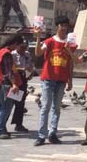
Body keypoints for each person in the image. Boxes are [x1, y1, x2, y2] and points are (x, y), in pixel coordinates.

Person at [33, 16, 75, 146]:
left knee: (56, 108)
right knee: (45, 107)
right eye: (61, 25)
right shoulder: (50, 41)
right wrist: (38, 37)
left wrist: (70, 80)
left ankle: (52, 133)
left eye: (65, 26)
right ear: (57, 26)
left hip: (62, 79)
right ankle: (41, 135)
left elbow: (70, 63)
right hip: (48, 78)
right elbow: (38, 53)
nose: (63, 28)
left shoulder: (70, 44)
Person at [0, 34, 24, 139]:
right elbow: (9, 72)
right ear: (14, 43)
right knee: (5, 108)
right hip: (5, 84)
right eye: (18, 46)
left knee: (0, 107)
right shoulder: (6, 54)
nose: (18, 48)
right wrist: (14, 84)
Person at [10, 41, 35, 132]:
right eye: (22, 47)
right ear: (17, 46)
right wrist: (21, 69)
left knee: (20, 103)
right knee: (10, 103)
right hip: (14, 79)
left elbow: (31, 65)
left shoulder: (27, 54)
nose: (23, 50)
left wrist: (31, 71)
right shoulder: (12, 54)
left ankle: (18, 124)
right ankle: (2, 124)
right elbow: (10, 68)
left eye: (25, 47)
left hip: (24, 79)